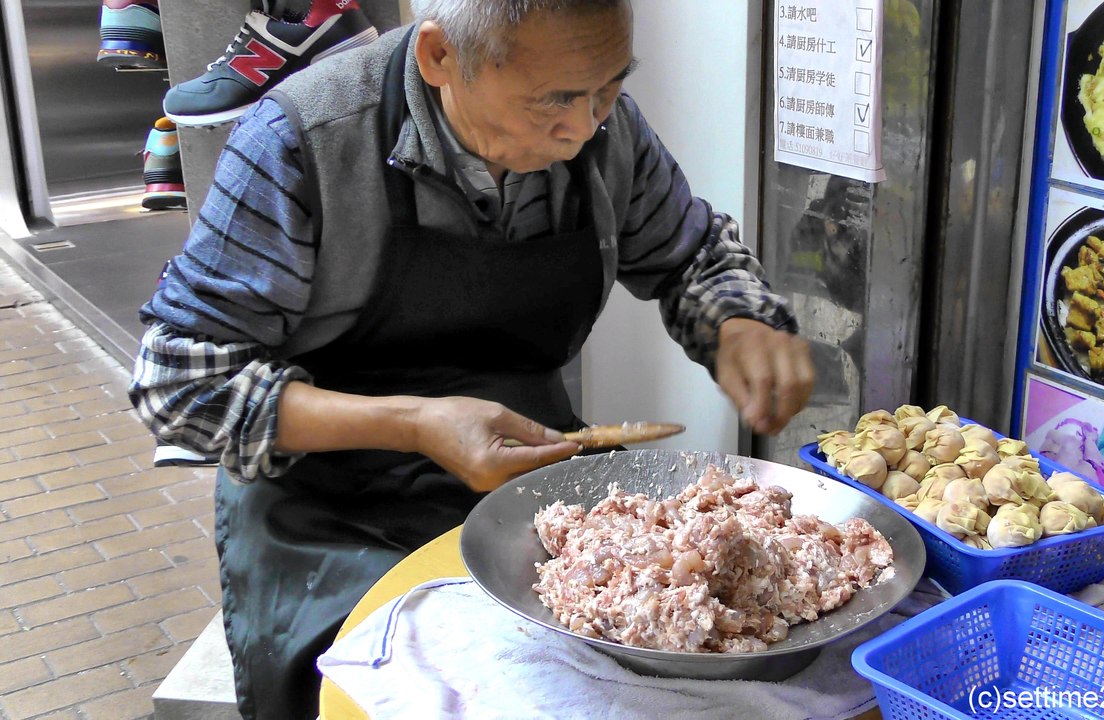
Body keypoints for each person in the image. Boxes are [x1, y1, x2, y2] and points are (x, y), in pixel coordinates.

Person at [129, 1, 814, 717]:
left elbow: (692, 255)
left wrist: (739, 323)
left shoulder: (604, 129)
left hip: (528, 493)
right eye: (552, 101)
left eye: (608, 88)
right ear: (438, 57)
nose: (582, 128)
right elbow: (178, 383)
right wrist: (416, 424)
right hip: (328, 511)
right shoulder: (305, 141)